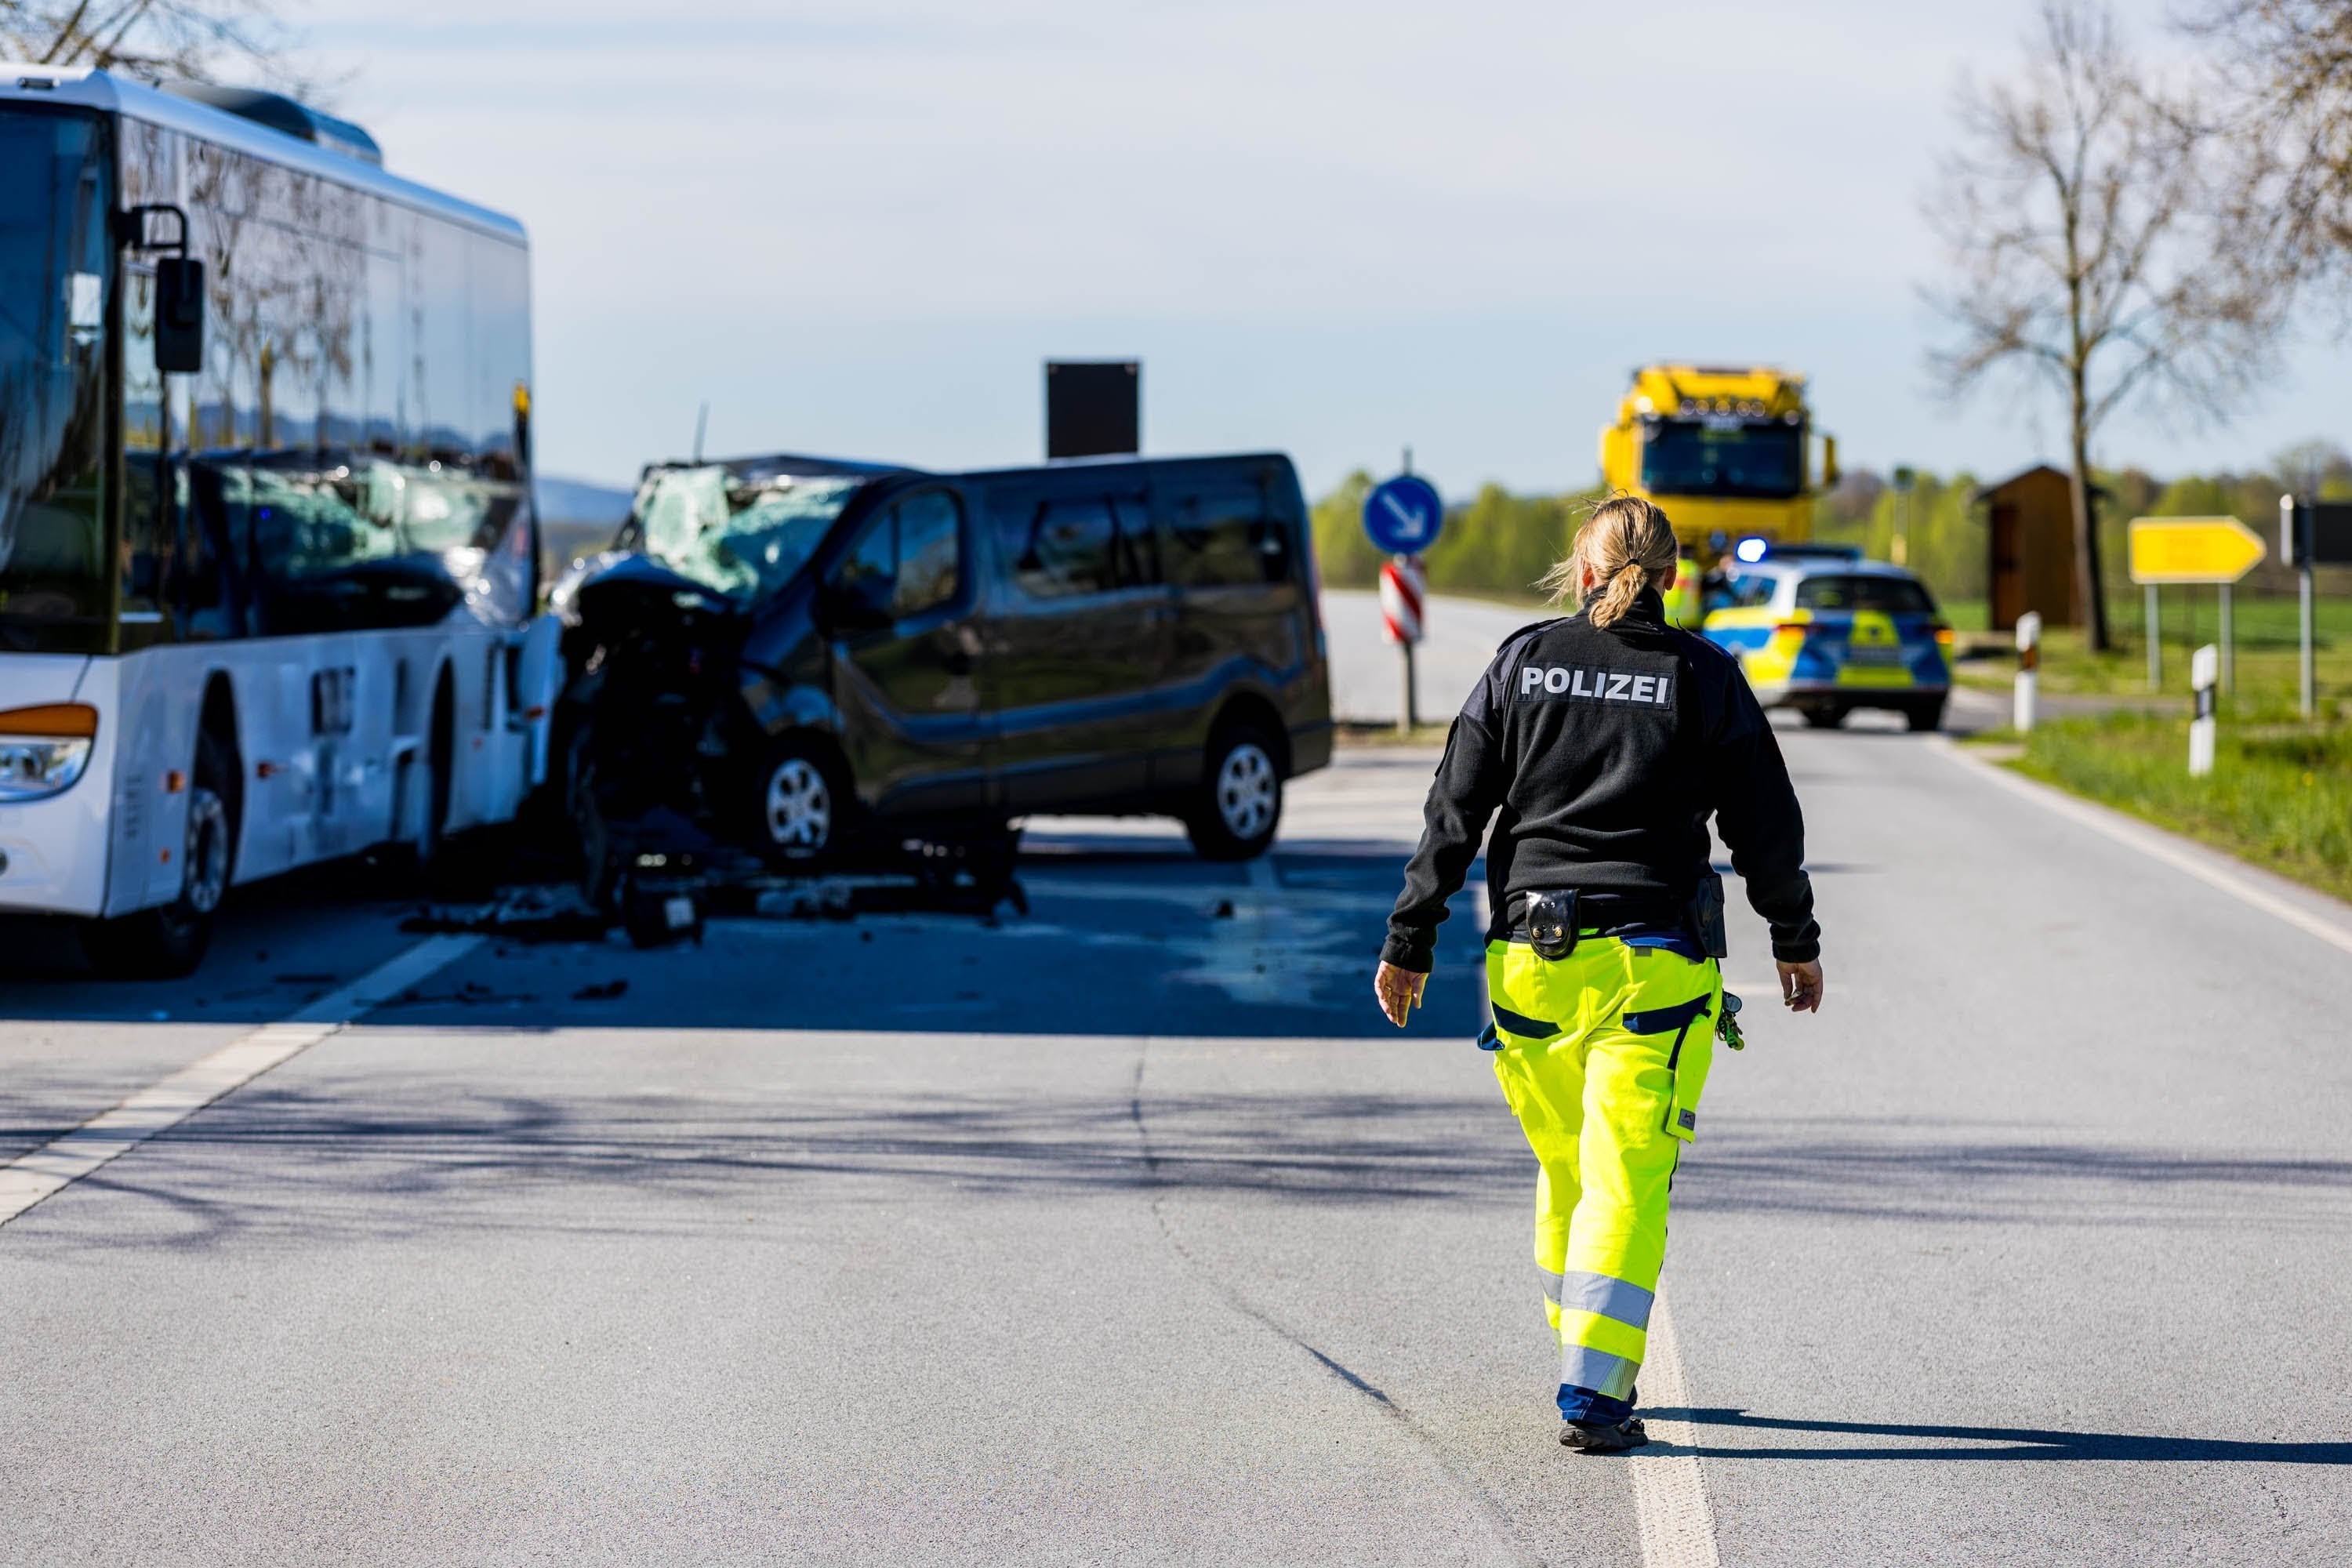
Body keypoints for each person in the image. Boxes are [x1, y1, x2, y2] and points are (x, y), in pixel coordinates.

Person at [1372, 495, 1824, 1454]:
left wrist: (1410, 937)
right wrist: (1793, 934)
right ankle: (1594, 1386)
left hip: (1530, 972)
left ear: (1585, 573)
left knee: (1570, 1169)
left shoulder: (1523, 662)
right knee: (1624, 1176)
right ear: (1671, 577)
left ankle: (1583, 1349)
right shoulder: (1703, 675)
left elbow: (1453, 813)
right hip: (1650, 974)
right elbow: (1765, 824)